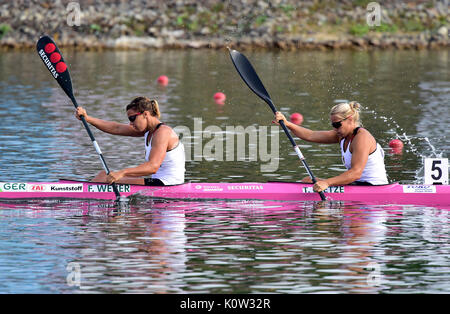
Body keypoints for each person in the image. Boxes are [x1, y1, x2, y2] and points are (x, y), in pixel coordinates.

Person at [273, 101, 388, 193]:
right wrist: (287, 124)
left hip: (374, 188)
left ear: (350, 119)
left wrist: (327, 183)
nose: (335, 129)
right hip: (358, 185)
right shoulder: (341, 135)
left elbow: (355, 173)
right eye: (333, 125)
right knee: (307, 181)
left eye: (337, 125)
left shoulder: (362, 138)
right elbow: (311, 135)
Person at [75, 96, 185, 185]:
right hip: (158, 182)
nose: (130, 123)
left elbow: (153, 167)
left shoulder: (163, 132)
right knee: (103, 174)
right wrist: (88, 118)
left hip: (169, 184)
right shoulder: (148, 131)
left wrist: (122, 173)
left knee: (103, 178)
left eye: (132, 118)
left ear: (145, 114)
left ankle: (79, 195)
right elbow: (116, 128)